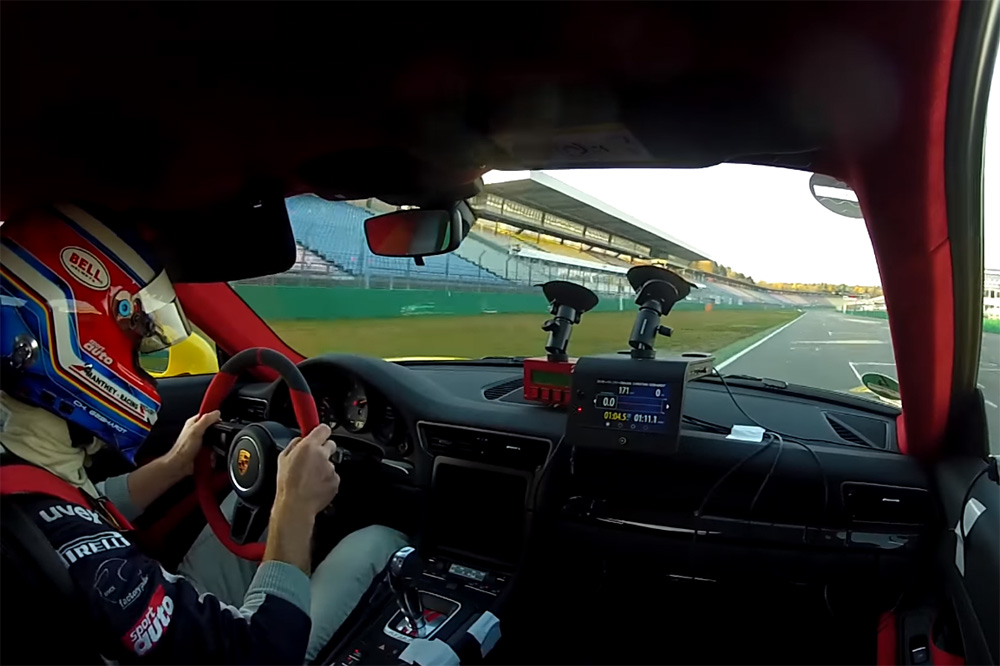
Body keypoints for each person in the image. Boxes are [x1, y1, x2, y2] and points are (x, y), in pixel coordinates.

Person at [0, 204, 408, 663]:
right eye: (134, 344)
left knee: (243, 508)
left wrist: (175, 464)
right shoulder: (86, 559)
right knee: (376, 541)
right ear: (70, 340)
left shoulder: (22, 473)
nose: (139, 362)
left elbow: (75, 504)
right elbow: (264, 653)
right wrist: (294, 509)